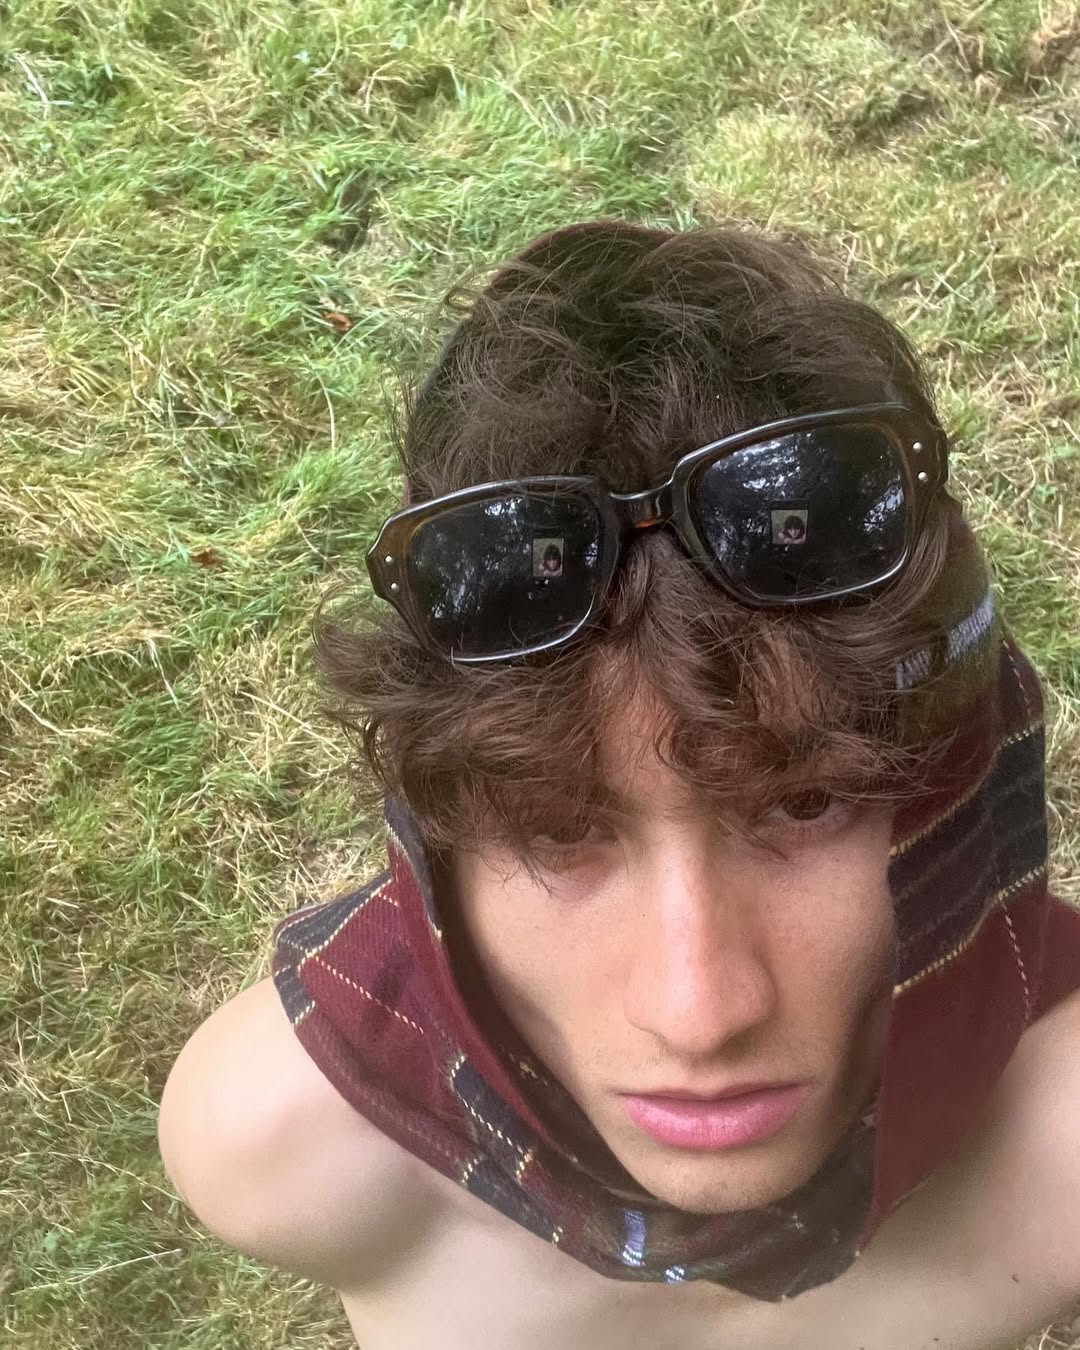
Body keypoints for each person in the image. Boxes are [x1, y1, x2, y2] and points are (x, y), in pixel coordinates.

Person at [157, 221, 1080, 1350]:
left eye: (805, 803)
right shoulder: (278, 1148)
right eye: (556, 826)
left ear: (957, 790)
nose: (700, 1014)